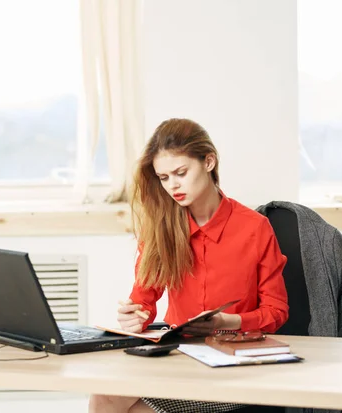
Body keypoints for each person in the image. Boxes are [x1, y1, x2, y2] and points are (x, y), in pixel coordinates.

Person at [89, 118, 289, 413]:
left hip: (233, 361)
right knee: (103, 395)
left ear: (208, 162)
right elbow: (143, 301)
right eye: (164, 177)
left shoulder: (255, 228)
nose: (173, 185)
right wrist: (135, 316)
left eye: (181, 173)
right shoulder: (162, 228)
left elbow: (277, 311)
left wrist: (227, 322)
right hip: (178, 357)